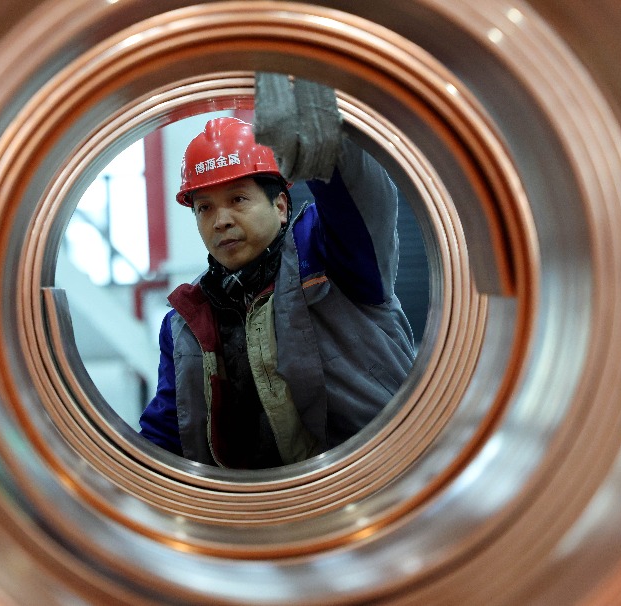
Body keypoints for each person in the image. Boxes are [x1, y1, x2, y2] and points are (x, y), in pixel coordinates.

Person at [139, 75, 415, 469]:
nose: (221, 220)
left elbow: (361, 198)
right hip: (253, 507)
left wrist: (331, 146)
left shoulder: (330, 259)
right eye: (205, 208)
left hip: (375, 484)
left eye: (238, 199)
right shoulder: (184, 324)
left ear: (281, 207)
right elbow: (167, 435)